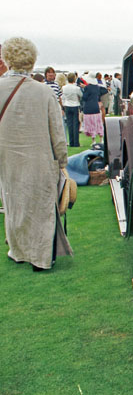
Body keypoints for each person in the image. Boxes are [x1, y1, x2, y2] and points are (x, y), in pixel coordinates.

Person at [0, 37, 72, 271]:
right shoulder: (43, 92)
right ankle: (40, 258)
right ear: (31, 60)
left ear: (7, 59)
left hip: (7, 159)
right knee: (41, 207)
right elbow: (57, 131)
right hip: (40, 159)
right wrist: (62, 160)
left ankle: (18, 251)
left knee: (14, 203)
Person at [81, 72, 104, 144]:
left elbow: (84, 98)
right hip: (96, 107)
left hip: (88, 107)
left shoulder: (87, 88)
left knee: (91, 124)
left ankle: (93, 140)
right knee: (98, 123)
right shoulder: (97, 87)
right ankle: (101, 139)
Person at [62, 72, 82, 147]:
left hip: (67, 105)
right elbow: (81, 95)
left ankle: (71, 142)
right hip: (75, 105)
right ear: (74, 79)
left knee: (70, 125)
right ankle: (76, 143)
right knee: (75, 124)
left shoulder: (64, 87)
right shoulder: (76, 88)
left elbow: (63, 96)